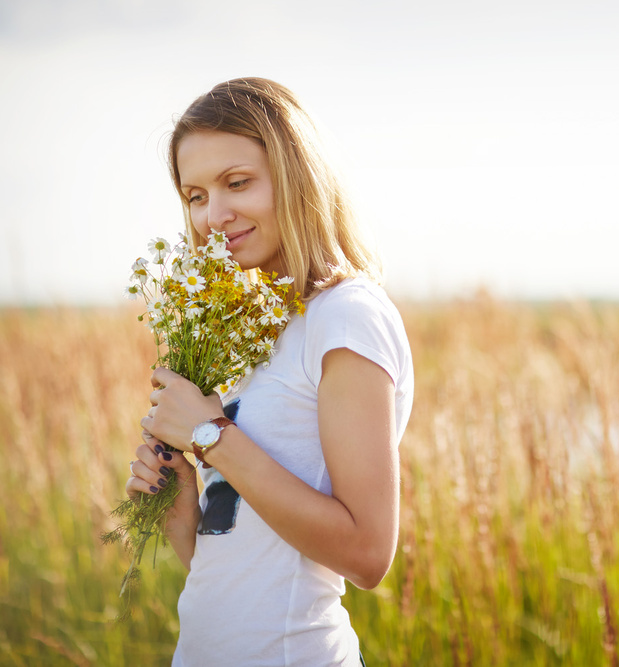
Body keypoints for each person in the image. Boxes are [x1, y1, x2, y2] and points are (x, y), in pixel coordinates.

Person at [125, 77, 414, 666]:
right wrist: (187, 516)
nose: (214, 215)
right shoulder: (251, 330)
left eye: (237, 183)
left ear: (296, 176)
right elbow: (250, 574)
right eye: (196, 195)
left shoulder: (346, 315)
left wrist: (210, 436)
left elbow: (366, 553)